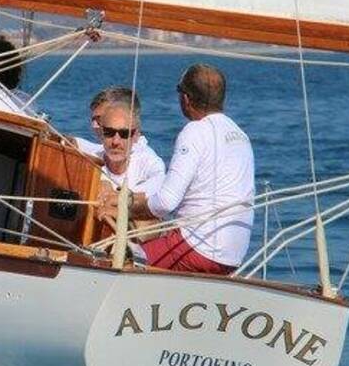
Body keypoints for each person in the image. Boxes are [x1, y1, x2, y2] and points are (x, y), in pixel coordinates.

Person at [99, 63, 255, 275]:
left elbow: (165, 202)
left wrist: (123, 204)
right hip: (234, 255)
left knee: (116, 260)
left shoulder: (195, 131)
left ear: (186, 99)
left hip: (199, 248)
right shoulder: (240, 135)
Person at [94, 101, 165, 193]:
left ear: (136, 136)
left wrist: (119, 195)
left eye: (124, 134)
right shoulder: (90, 161)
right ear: (101, 134)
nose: (116, 141)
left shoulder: (149, 162)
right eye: (109, 132)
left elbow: (160, 181)